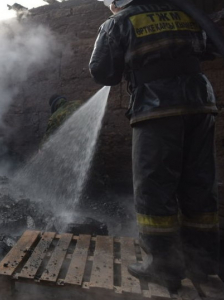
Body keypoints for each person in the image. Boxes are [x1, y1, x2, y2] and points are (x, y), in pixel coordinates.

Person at [89, 0, 220, 291]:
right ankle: (205, 262)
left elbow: (102, 72)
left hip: (155, 108)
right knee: (199, 184)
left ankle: (163, 265)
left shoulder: (118, 22)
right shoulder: (186, 13)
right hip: (201, 104)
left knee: (154, 188)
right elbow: (211, 48)